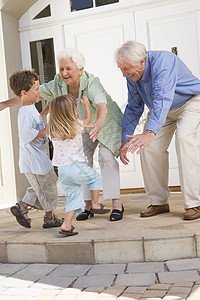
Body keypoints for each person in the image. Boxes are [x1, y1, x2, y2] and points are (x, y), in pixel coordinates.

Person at [1, 48, 124, 221]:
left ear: (80, 70)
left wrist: (98, 123)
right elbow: (30, 95)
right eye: (61, 69)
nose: (64, 73)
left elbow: (102, 105)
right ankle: (87, 205)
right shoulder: (57, 83)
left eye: (68, 69)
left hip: (105, 123)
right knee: (81, 161)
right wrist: (4, 104)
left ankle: (117, 204)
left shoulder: (92, 82)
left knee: (106, 157)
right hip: (81, 127)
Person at [115, 40, 200, 220]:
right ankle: (159, 202)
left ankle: (194, 203)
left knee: (184, 138)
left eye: (126, 68)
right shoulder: (132, 75)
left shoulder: (164, 62)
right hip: (162, 110)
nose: (124, 74)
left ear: (142, 62)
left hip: (190, 102)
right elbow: (134, 106)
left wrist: (149, 133)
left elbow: (163, 98)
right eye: (121, 69)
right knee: (149, 148)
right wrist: (125, 140)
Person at [9, 70, 63, 229]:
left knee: (46, 186)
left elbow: (36, 122)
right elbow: (27, 134)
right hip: (34, 161)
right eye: (36, 89)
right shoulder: (25, 112)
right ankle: (49, 217)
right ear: (24, 93)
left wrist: (47, 108)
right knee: (47, 190)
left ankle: (23, 206)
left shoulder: (30, 108)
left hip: (38, 159)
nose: (39, 92)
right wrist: (48, 129)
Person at [49, 94, 103, 236]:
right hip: (76, 167)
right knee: (95, 178)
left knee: (74, 197)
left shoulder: (52, 130)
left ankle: (67, 225)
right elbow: (87, 120)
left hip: (62, 171)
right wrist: (86, 106)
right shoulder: (75, 125)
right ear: (71, 111)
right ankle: (95, 204)